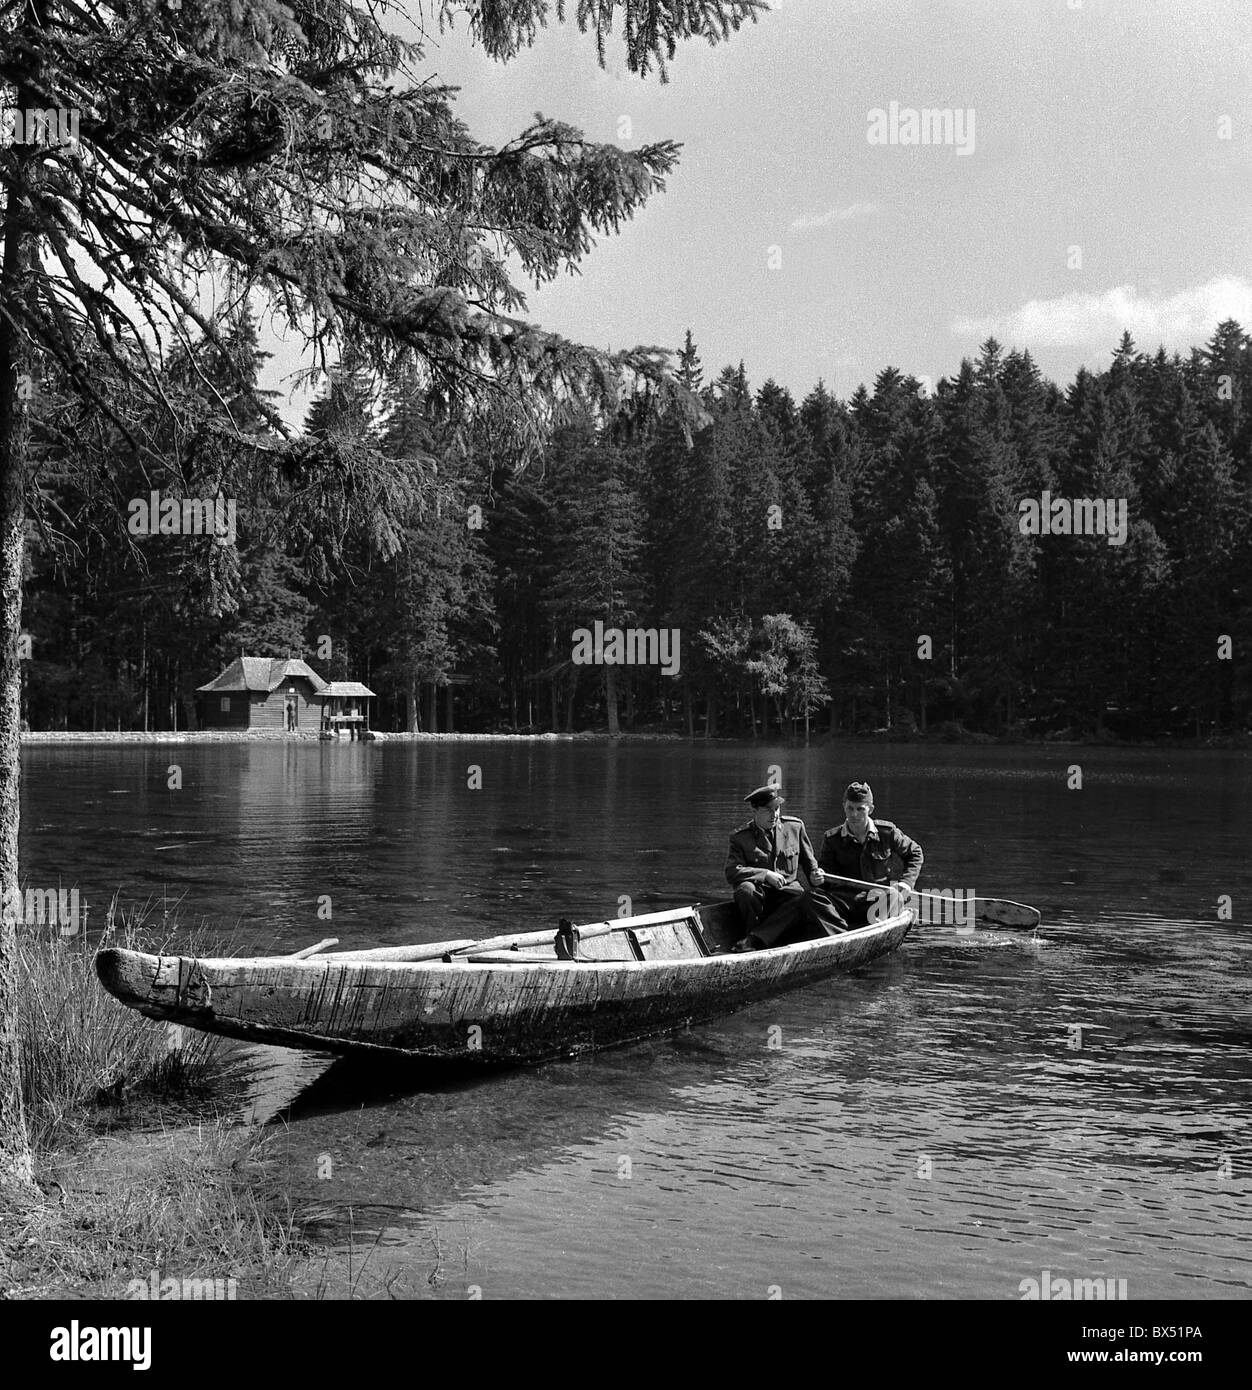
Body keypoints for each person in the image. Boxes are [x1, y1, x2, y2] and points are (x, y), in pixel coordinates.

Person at [723, 785, 842, 951]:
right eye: (768, 810)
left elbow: (811, 867)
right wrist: (765, 874)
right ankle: (752, 936)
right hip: (761, 897)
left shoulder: (795, 827)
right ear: (754, 810)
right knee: (745, 890)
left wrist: (816, 877)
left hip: (789, 896)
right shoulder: (740, 838)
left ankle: (755, 940)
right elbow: (732, 871)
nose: (775, 815)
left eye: (777, 808)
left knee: (806, 897)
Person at [812, 781, 923, 929]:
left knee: (896, 896)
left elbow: (915, 853)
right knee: (812, 897)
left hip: (878, 899)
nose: (854, 814)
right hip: (844, 900)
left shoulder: (887, 832)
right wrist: (819, 877)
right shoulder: (832, 838)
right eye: (850, 808)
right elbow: (826, 877)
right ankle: (839, 933)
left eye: (860, 809)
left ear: (870, 809)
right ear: (844, 806)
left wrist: (906, 883)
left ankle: (876, 926)